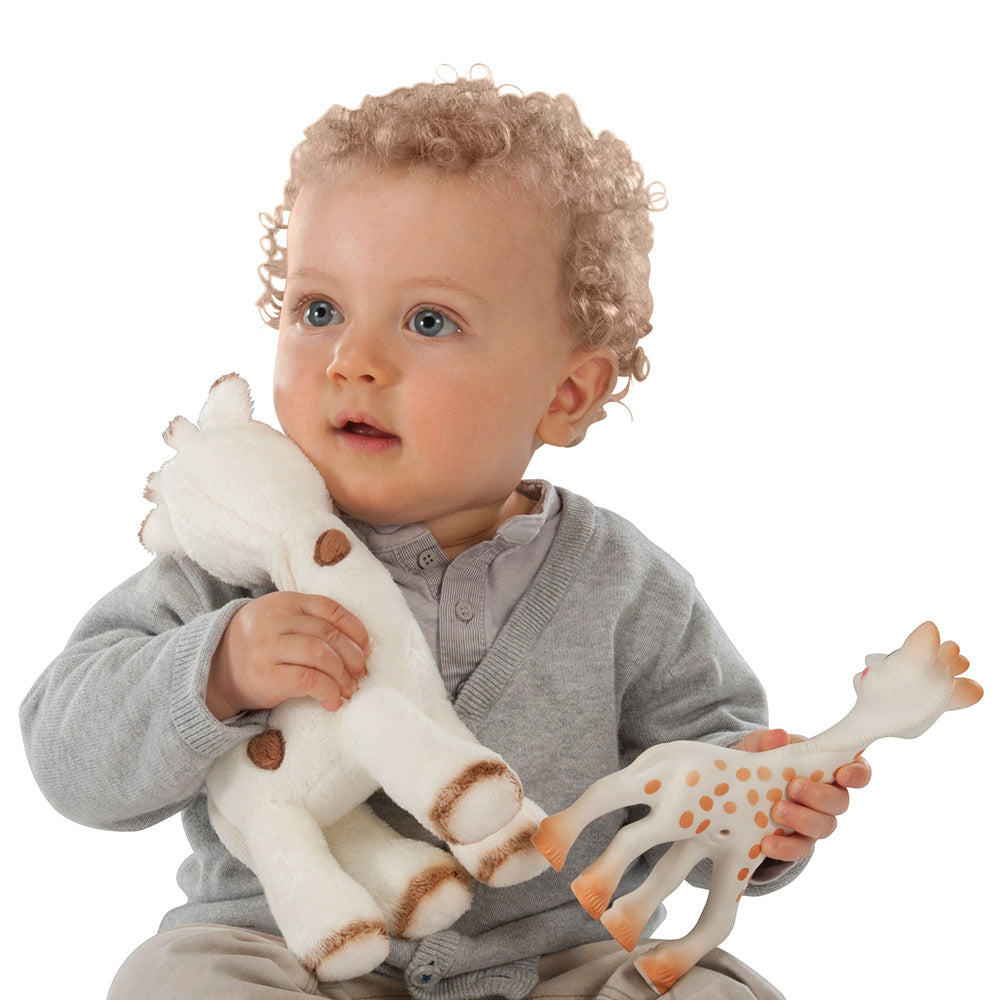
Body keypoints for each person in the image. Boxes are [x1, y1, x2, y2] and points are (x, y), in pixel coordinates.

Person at [20, 70, 869, 999]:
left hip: (558, 965)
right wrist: (215, 671)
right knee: (174, 981)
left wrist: (758, 809)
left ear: (565, 394)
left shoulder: (627, 586)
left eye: (429, 321)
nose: (353, 361)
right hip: (297, 954)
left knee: (713, 989)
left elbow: (703, 757)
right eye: (318, 311)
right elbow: (69, 756)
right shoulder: (233, 560)